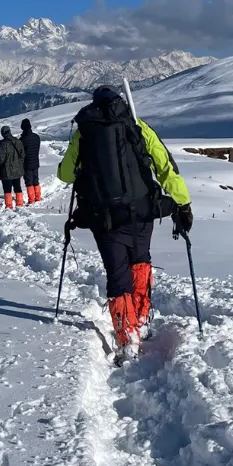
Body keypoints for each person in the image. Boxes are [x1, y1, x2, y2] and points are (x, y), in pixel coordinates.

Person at [57, 85, 193, 358]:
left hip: (104, 218)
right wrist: (183, 203)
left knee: (117, 275)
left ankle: (126, 337)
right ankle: (141, 320)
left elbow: (65, 175)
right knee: (140, 261)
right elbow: (164, 166)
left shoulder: (85, 131)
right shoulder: (138, 126)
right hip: (142, 213)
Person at [0, 125, 26, 209]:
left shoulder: (3, 145)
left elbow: (1, 159)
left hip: (6, 171)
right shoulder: (18, 142)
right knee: (17, 187)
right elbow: (23, 155)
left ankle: (9, 206)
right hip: (17, 169)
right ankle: (19, 204)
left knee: (7, 189)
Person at [20, 118, 42, 204]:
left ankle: (31, 199)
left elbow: (21, 153)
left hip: (27, 164)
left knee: (29, 182)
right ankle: (38, 196)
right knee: (36, 180)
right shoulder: (36, 137)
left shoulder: (22, 140)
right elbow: (37, 149)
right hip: (36, 162)